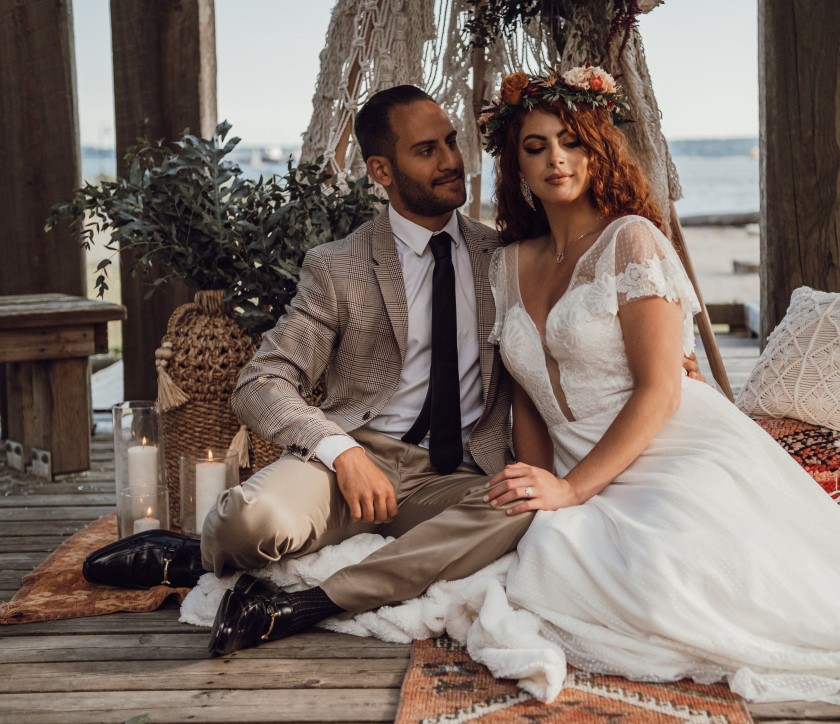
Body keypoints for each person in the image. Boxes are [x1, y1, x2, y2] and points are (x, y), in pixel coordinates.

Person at [81, 83, 705, 656]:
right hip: (356, 457)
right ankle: (193, 557)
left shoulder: (505, 259)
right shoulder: (339, 265)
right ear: (381, 170)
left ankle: (308, 602)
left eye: (452, 143)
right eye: (426, 150)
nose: (451, 162)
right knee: (254, 522)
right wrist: (339, 451)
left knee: (521, 512)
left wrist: (658, 352)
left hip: (458, 471)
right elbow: (261, 380)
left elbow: (566, 337)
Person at [472, 67, 840, 704]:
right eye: (535, 147)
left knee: (661, 577)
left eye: (571, 141)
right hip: (572, 455)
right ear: (515, 165)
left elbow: (660, 390)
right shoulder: (507, 264)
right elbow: (526, 395)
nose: (557, 160)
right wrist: (540, 491)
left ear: (598, 149)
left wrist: (572, 490)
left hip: (670, 442)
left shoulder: (631, 241)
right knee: (547, 559)